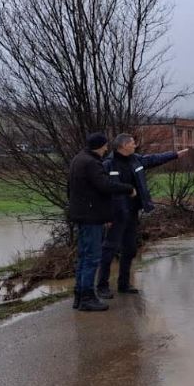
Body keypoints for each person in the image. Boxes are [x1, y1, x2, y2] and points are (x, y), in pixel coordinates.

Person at [96, 133, 189, 297]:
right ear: (123, 146)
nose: (135, 145)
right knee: (109, 249)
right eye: (132, 143)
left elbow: (154, 159)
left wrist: (175, 154)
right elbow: (102, 192)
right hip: (116, 214)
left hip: (132, 212)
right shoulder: (108, 164)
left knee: (130, 249)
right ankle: (102, 287)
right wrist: (106, 216)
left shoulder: (136, 159)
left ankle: (124, 284)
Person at [68, 132, 135, 311]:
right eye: (105, 145)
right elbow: (105, 186)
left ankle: (80, 295)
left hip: (81, 214)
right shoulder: (91, 163)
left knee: (83, 256)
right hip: (90, 216)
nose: (107, 148)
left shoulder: (78, 159)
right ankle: (87, 298)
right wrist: (128, 189)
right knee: (91, 257)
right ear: (99, 146)